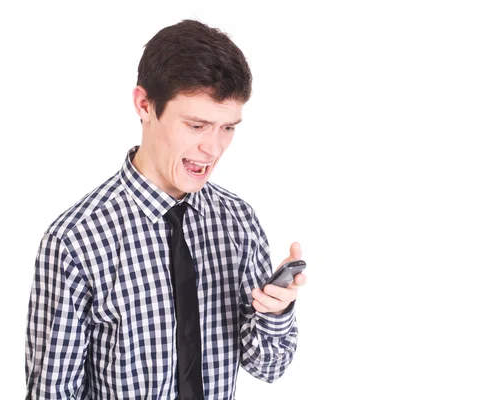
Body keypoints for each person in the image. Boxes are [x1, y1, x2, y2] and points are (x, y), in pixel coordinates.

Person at [25, 19, 307, 399]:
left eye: (228, 128)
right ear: (145, 105)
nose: (214, 149)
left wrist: (274, 312)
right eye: (196, 125)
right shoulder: (76, 239)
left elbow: (268, 367)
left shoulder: (238, 222)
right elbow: (51, 393)